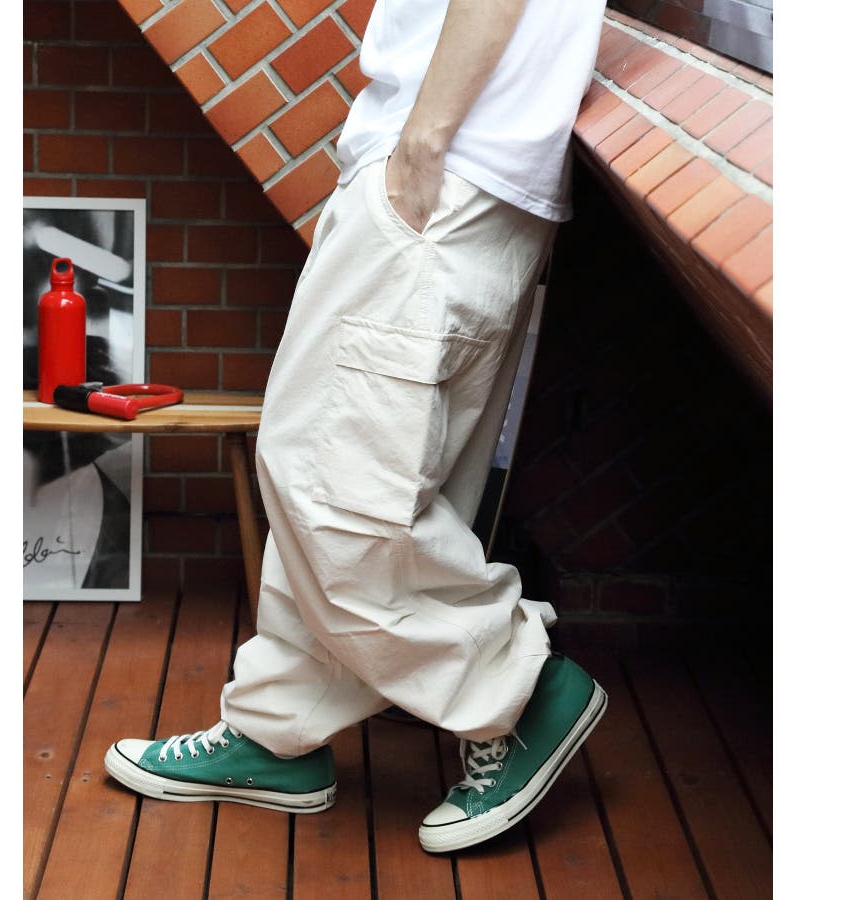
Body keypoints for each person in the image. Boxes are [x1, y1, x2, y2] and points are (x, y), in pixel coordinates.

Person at [105, 0, 609, 853]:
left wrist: (423, 142)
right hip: (459, 166)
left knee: (330, 477)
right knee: (371, 477)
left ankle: (517, 694)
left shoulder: (434, 155)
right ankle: (280, 729)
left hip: (446, 163)